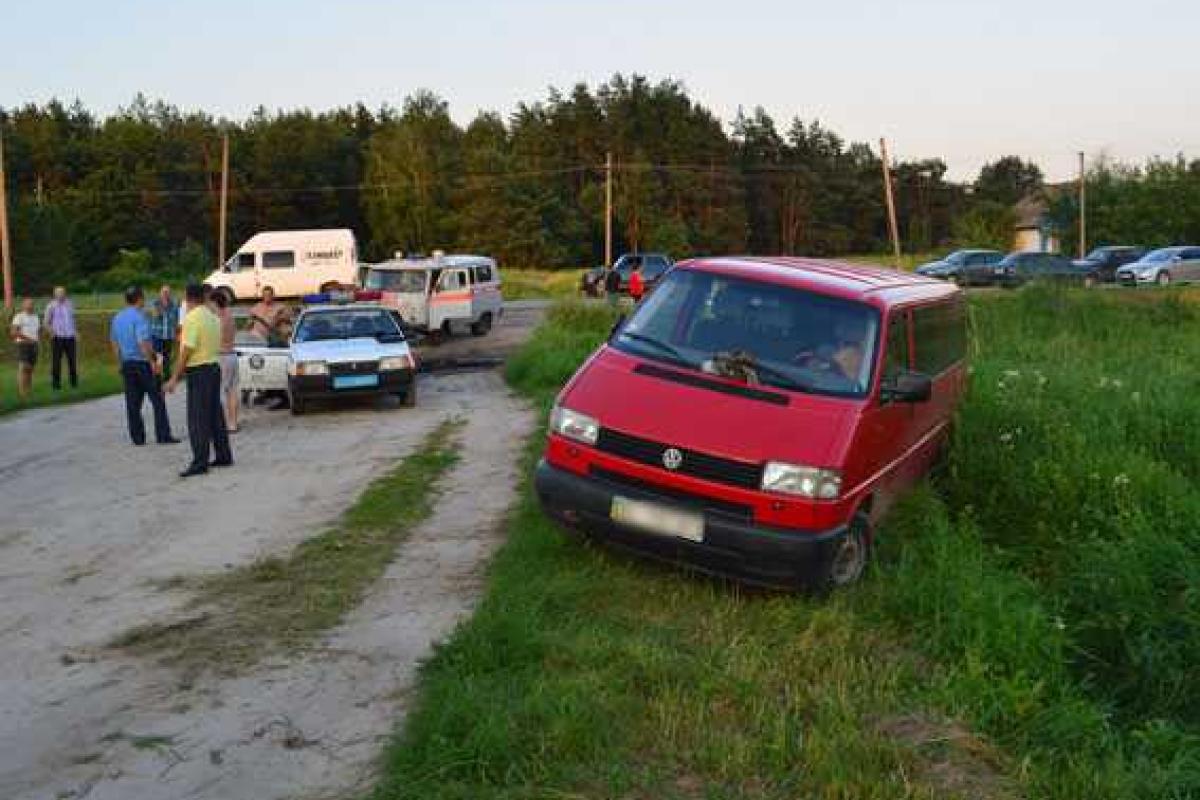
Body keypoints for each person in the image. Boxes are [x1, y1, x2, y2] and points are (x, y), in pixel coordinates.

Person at [167, 283, 232, 477]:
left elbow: (187, 350)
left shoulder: (192, 319)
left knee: (197, 418)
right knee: (215, 414)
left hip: (199, 370)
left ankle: (200, 461)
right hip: (213, 366)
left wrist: (174, 378)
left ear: (187, 298)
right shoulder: (213, 317)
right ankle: (223, 454)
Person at [109, 287, 179, 446]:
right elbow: (143, 343)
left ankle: (138, 437)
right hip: (143, 363)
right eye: (143, 298)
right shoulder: (140, 318)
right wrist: (153, 362)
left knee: (133, 402)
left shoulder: (117, 318)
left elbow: (114, 343)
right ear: (139, 299)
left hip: (127, 363)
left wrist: (120, 362)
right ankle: (163, 435)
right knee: (157, 398)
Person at [210, 289, 240, 432]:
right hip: (232, 354)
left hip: (221, 356)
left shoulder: (218, 318)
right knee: (232, 390)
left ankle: (222, 422)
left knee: (221, 391)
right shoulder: (230, 315)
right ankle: (233, 422)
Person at [43, 286, 78, 390]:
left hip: (70, 336)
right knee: (56, 361)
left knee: (72, 361)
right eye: (59, 293)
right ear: (55, 294)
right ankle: (56, 385)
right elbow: (45, 322)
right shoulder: (51, 306)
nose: (61, 295)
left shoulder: (70, 304)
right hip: (58, 337)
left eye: (63, 293)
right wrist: (51, 332)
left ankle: (74, 383)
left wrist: (75, 331)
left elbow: (72, 319)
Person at [10, 297, 40, 402]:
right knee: (23, 368)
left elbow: (37, 331)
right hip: (23, 345)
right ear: (23, 305)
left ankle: (28, 391)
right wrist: (28, 339)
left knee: (30, 369)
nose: (30, 306)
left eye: (32, 304)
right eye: (28, 304)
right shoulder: (19, 317)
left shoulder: (36, 317)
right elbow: (13, 333)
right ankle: (22, 393)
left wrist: (36, 341)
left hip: (34, 345)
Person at [149, 285, 179, 381]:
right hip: (157, 335)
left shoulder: (174, 305)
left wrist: (176, 333)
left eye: (168, 292)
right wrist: (162, 309)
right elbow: (155, 315)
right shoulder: (155, 303)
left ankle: (167, 375)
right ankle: (157, 376)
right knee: (158, 356)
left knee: (167, 356)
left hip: (169, 335)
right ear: (160, 293)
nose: (166, 294)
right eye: (164, 292)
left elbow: (175, 319)